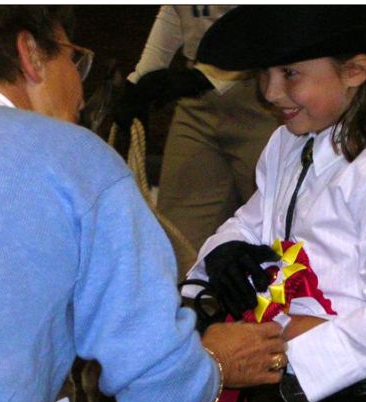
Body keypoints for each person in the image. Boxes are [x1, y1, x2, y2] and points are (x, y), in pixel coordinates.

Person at [0, 5, 286, 402]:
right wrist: (216, 363)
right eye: (74, 59)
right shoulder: (76, 160)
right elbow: (157, 387)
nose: (81, 92)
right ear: (32, 54)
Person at [184, 5, 366, 402]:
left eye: (290, 74)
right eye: (265, 73)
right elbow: (252, 220)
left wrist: (283, 347)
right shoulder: (286, 145)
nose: (271, 92)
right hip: (293, 397)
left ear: (354, 71)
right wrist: (224, 252)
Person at [113, 5, 280, 251]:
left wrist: (209, 76)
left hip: (268, 96)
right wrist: (141, 78)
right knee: (178, 242)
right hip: (197, 95)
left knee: (278, 228)